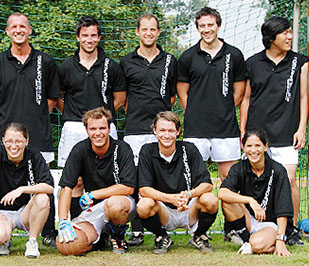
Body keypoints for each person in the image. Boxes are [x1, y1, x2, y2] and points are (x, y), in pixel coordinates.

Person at [240, 17, 308, 245]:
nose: (290, 37)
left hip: (287, 133)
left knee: (288, 180)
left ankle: (292, 228)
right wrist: (243, 131)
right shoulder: (252, 63)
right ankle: (251, 227)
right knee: (253, 181)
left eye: (290, 32)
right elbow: (246, 99)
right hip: (258, 134)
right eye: (285, 33)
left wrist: (301, 129)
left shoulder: (301, 62)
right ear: (271, 38)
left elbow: (304, 97)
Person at [0, 12, 60, 248]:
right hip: (6, 136)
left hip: (39, 134)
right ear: (7, 32)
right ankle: (5, 231)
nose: (18, 30)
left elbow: (52, 99)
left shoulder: (44, 61)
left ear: (30, 30)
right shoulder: (0, 61)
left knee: (43, 183)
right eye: (13, 26)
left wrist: (33, 117)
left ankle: (46, 233)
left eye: (22, 26)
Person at [120, 13, 177, 245]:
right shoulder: (125, 62)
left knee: (158, 177)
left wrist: (161, 122)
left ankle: (161, 227)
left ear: (158, 32)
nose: (149, 33)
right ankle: (136, 230)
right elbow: (122, 99)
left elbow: (172, 97)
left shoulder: (171, 60)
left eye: (153, 29)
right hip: (134, 129)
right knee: (134, 179)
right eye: (144, 29)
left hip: (161, 130)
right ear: (137, 32)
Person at [177, 6, 245, 181]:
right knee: (194, 179)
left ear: (219, 26)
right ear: (198, 28)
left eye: (210, 25)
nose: (206, 29)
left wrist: (224, 110)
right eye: (202, 26)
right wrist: (194, 113)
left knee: (229, 179)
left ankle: (235, 209)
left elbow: (239, 91)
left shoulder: (234, 54)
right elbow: (182, 92)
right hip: (196, 129)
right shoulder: (187, 57)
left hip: (226, 128)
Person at [57, 107, 137, 255]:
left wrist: (93, 194)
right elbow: (66, 186)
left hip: (122, 204)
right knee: (67, 246)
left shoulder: (122, 148)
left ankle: (119, 238)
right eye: (93, 128)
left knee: (114, 204)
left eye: (102, 128)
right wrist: (62, 220)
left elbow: (128, 187)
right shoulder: (80, 149)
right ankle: (101, 239)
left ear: (109, 129)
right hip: (95, 209)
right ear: (87, 130)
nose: (98, 133)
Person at [137, 111, 218, 254]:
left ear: (178, 131)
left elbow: (207, 185)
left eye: (171, 131)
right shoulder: (147, 150)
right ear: (154, 130)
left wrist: (188, 194)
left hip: (188, 208)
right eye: (162, 130)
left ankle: (199, 235)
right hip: (164, 210)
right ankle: (161, 237)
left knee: (210, 199)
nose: (166, 135)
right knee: (144, 205)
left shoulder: (189, 149)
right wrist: (171, 198)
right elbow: (144, 189)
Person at [57, 15, 127, 168]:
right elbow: (57, 98)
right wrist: (74, 114)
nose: (89, 40)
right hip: (73, 127)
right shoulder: (65, 67)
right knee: (72, 178)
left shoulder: (112, 67)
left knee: (108, 173)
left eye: (93, 35)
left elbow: (120, 99)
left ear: (99, 37)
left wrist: (100, 118)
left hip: (104, 128)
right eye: (85, 35)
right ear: (78, 37)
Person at [218, 128, 293, 256]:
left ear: (265, 147)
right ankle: (246, 239)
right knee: (227, 200)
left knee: (257, 244)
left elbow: (283, 209)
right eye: (249, 146)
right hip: (249, 220)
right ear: (243, 147)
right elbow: (222, 193)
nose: (253, 150)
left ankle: (263, 243)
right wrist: (249, 200)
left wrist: (280, 239)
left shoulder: (278, 171)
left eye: (258, 145)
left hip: (271, 224)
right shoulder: (239, 167)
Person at [0, 122, 54, 258]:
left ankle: (32, 242)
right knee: (1, 234)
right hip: (3, 213)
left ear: (26, 141)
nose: (13, 146)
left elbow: (49, 187)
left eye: (18, 141)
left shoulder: (34, 155)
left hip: (26, 212)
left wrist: (23, 189)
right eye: (9, 141)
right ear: (3, 141)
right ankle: (4, 241)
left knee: (42, 198)